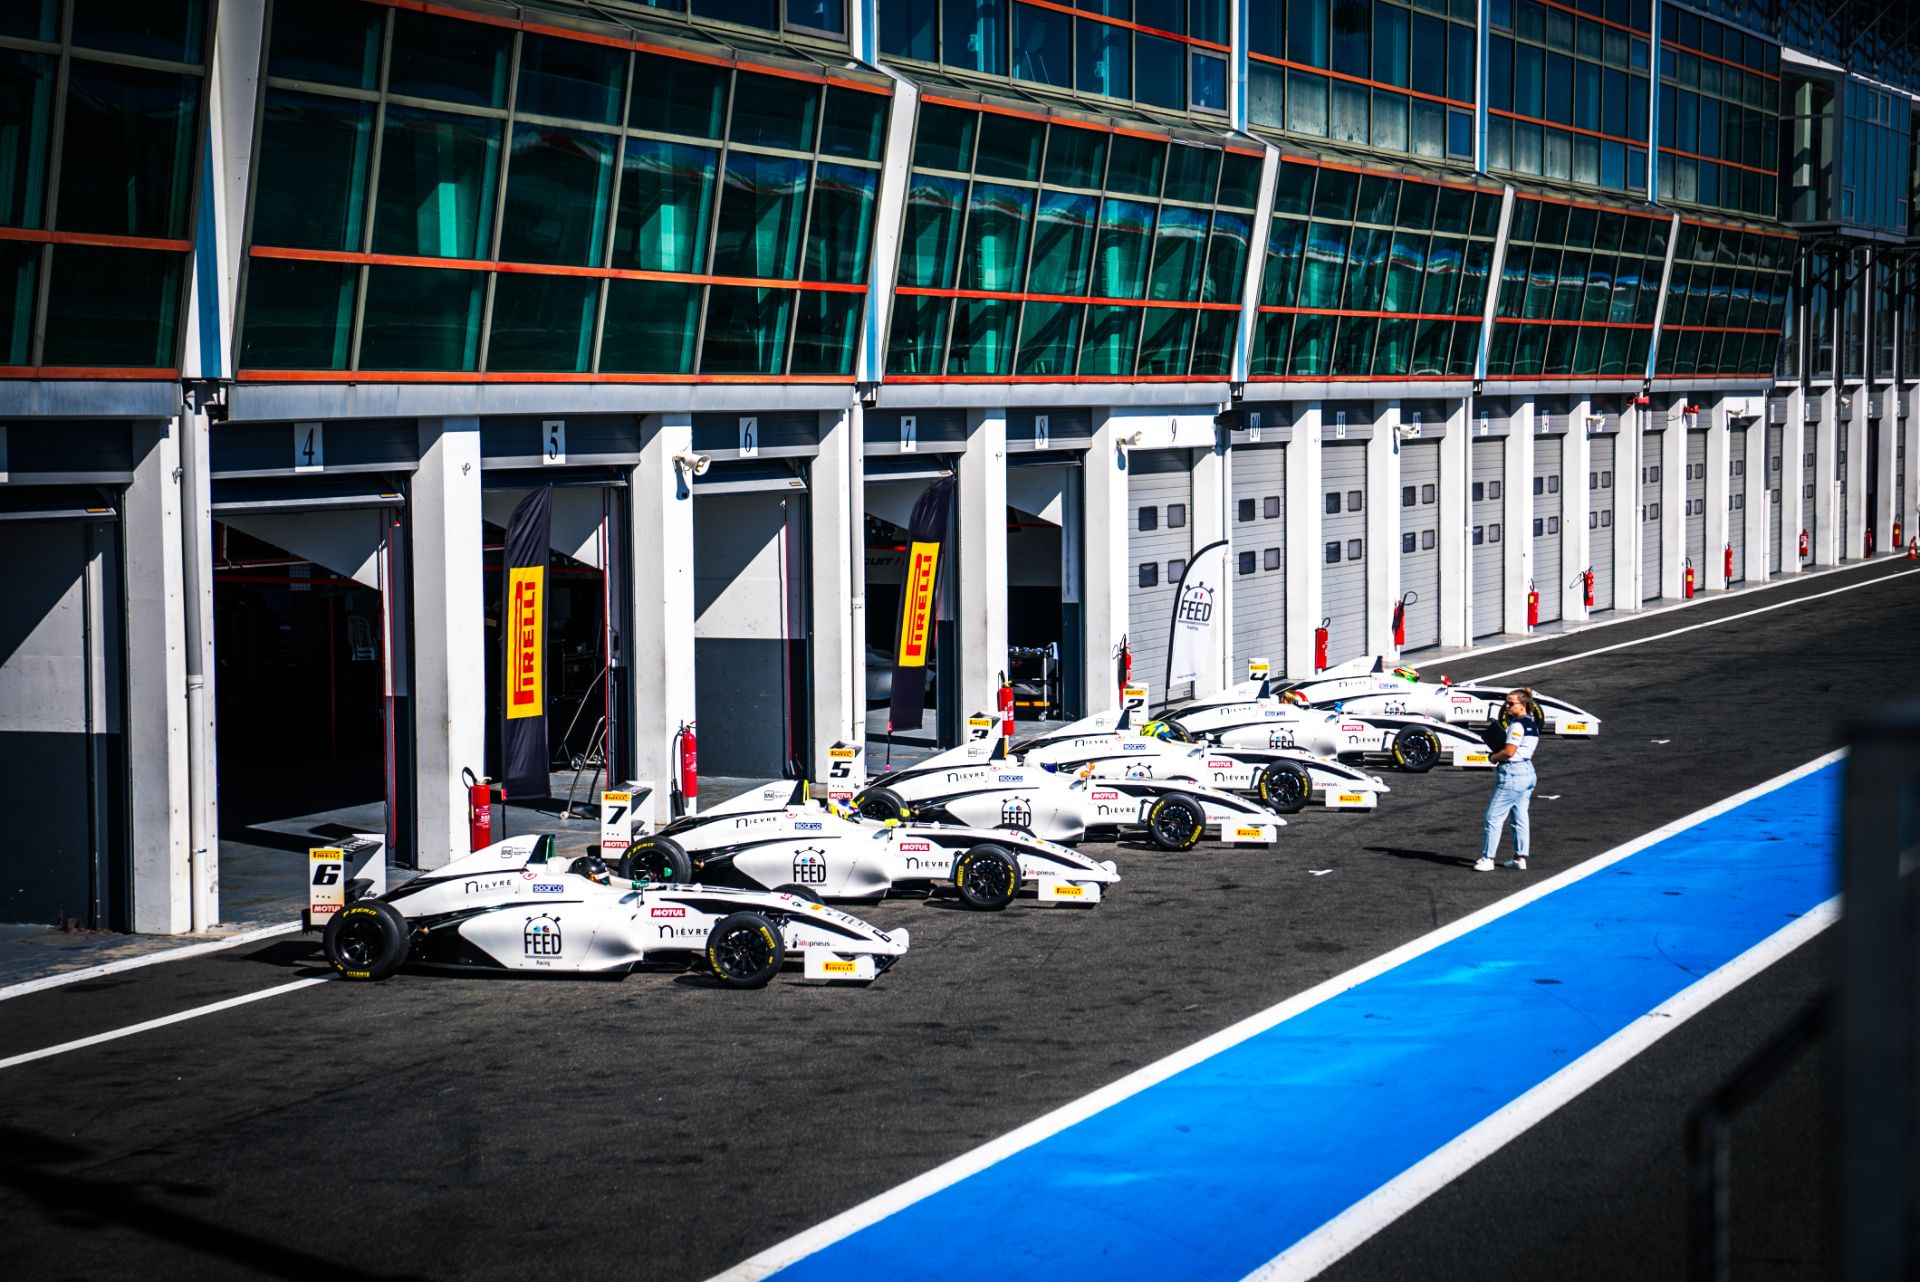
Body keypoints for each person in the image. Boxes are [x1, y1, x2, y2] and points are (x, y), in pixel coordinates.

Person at [1474, 688, 1541, 872]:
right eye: (1507, 703)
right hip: (1528, 771)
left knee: (1493, 817)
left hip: (1513, 773)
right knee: (1520, 816)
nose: (1507, 706)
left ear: (1523, 705)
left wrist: (1494, 757)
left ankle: (1488, 858)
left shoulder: (1517, 725)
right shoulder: (1532, 725)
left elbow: (1509, 751)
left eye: (1511, 703)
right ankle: (1520, 857)